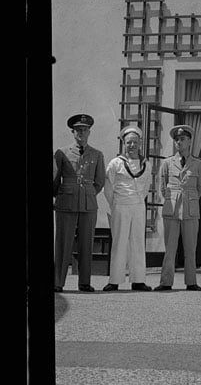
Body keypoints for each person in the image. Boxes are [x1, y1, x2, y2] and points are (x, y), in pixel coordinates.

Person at [53, 114, 106, 292]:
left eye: (84, 130)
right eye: (78, 130)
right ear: (72, 132)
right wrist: (59, 196)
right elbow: (55, 179)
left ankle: (84, 282)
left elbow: (99, 182)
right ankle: (57, 282)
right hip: (65, 202)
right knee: (62, 243)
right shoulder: (61, 153)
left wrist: (87, 194)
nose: (81, 133)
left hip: (88, 204)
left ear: (89, 132)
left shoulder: (97, 154)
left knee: (86, 243)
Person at [155, 125, 201, 291]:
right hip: (172, 208)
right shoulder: (167, 163)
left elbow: (200, 188)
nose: (179, 142)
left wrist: (190, 200)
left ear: (189, 141)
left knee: (190, 248)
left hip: (190, 209)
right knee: (170, 248)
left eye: (182, 139)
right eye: (176, 139)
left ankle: (191, 282)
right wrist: (172, 199)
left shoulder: (197, 164)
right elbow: (162, 187)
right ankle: (166, 282)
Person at [102, 125, 153, 291]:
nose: (132, 145)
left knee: (138, 242)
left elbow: (146, 186)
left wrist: (137, 200)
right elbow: (108, 186)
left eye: (135, 142)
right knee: (119, 241)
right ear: (124, 143)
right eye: (129, 142)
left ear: (140, 143)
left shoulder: (147, 164)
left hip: (138, 205)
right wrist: (115, 203)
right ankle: (115, 280)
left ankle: (138, 280)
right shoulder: (115, 163)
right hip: (120, 205)